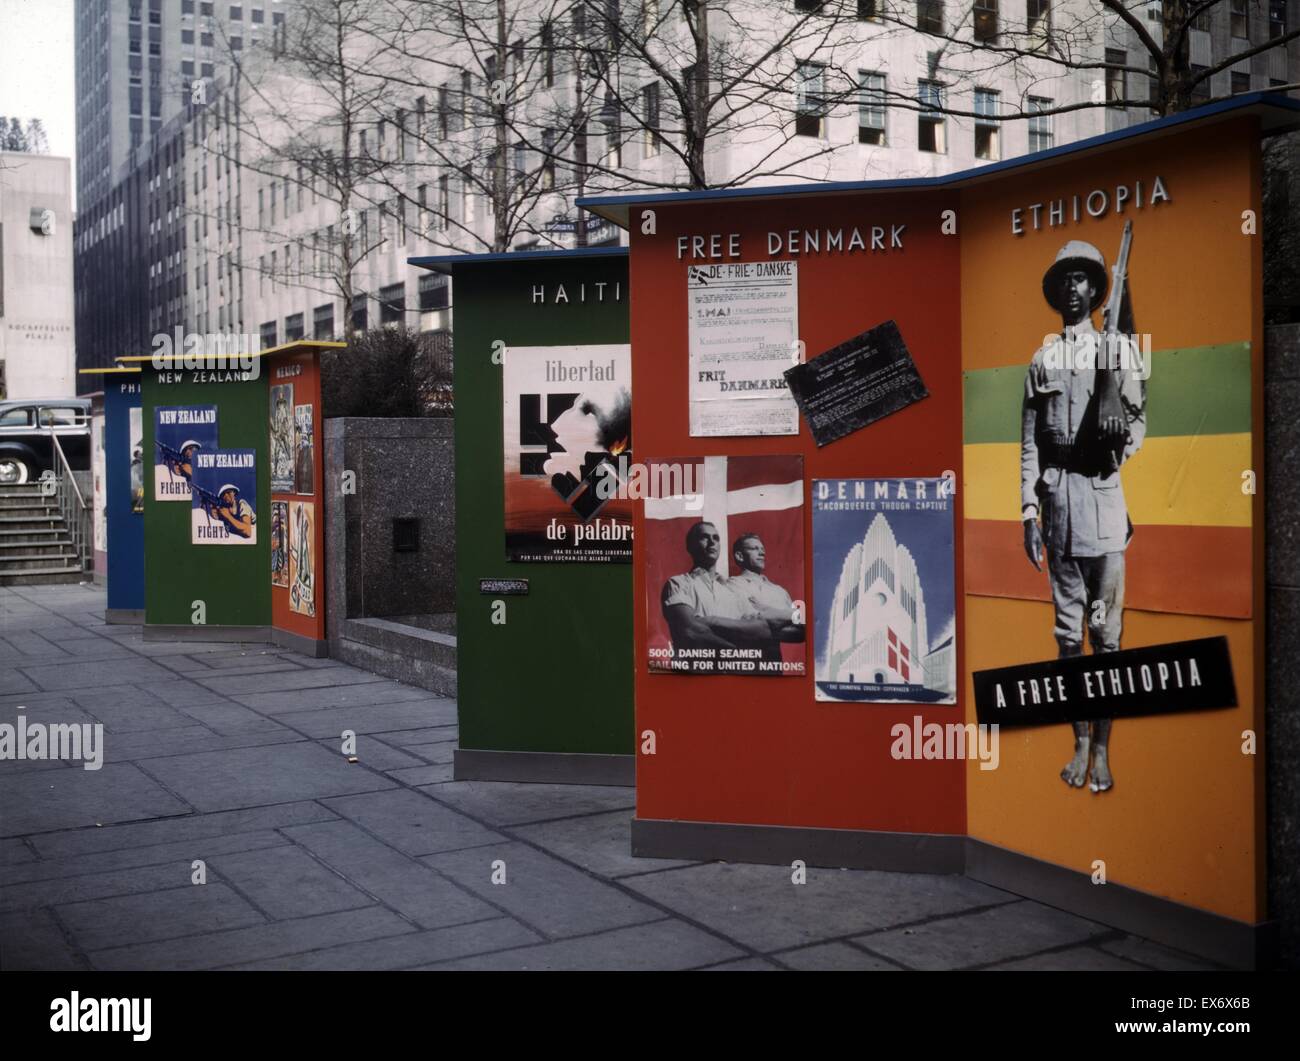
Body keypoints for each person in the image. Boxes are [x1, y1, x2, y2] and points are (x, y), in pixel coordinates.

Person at [1021, 239, 1146, 794]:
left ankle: (1101, 750)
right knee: (1068, 639)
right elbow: (1029, 445)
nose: (1073, 288)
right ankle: (1076, 741)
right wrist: (1028, 512)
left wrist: (1117, 437)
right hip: (1059, 509)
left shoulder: (1118, 350)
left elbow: (1139, 420)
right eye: (1064, 280)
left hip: (1104, 503)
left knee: (1108, 639)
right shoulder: (1042, 359)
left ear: (1096, 291)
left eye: (1082, 279)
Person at [661, 521, 787, 655]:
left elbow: (763, 629)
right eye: (705, 537)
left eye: (716, 538)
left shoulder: (730, 590)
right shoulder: (678, 583)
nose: (712, 542)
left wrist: (711, 622)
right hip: (693, 673)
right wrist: (735, 649)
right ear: (690, 546)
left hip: (727, 674)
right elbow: (691, 631)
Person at [727, 532, 805, 661]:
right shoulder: (731, 585)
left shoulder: (779, 591)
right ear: (740, 556)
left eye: (762, 549)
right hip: (744, 666)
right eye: (755, 549)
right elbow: (746, 624)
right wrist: (789, 614)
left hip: (774, 669)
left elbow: (801, 632)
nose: (762, 553)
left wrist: (767, 610)